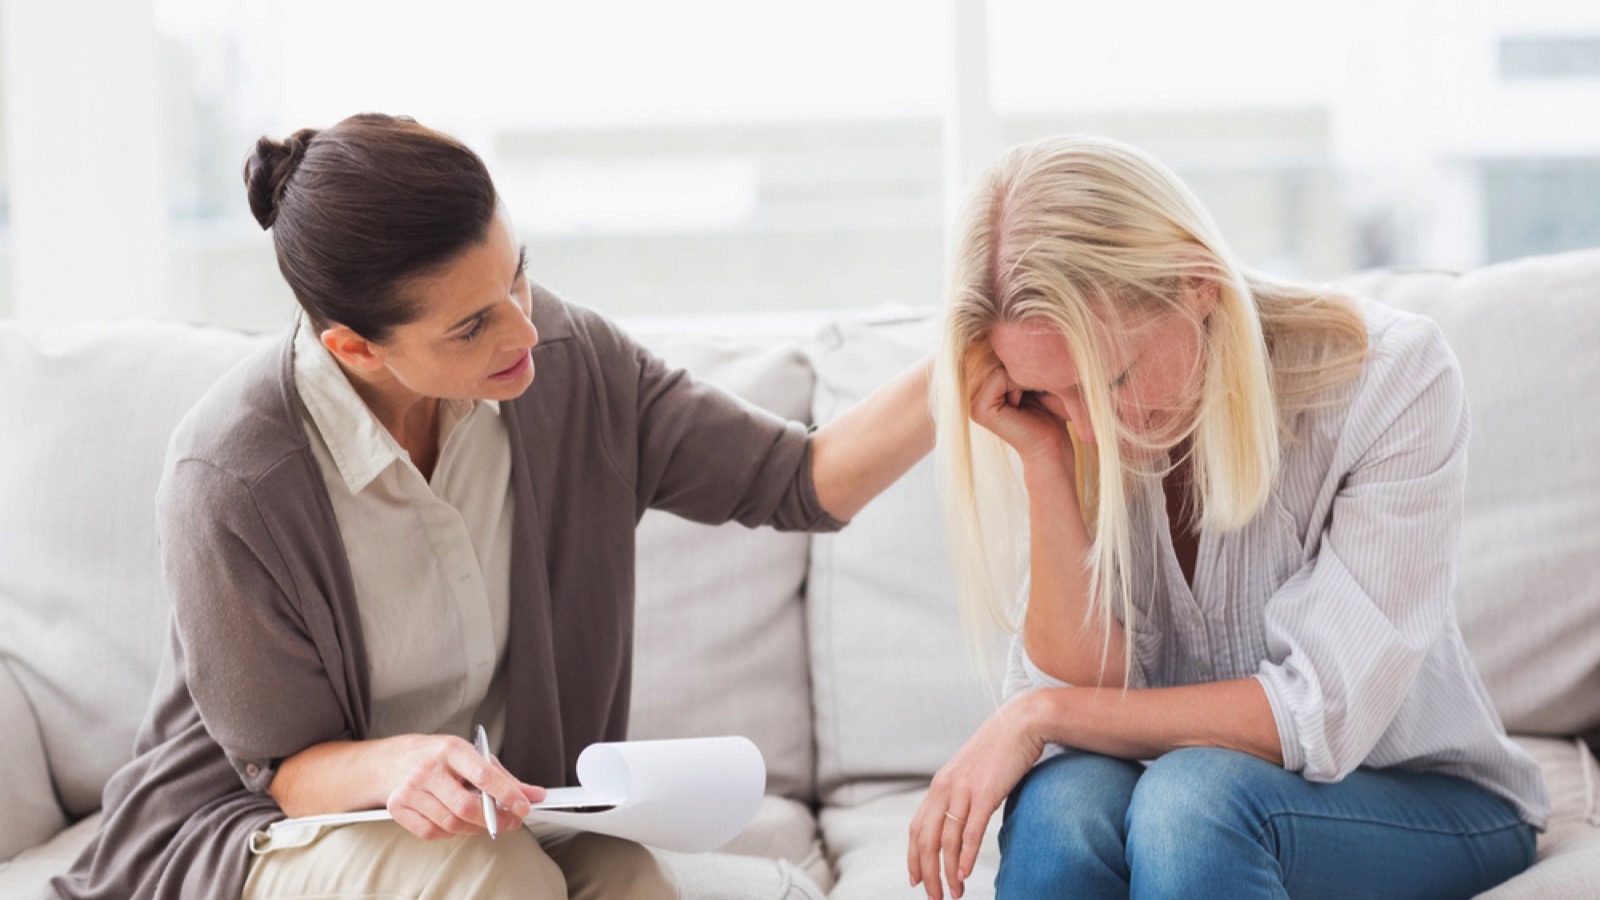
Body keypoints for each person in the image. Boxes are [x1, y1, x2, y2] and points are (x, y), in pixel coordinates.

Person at [49, 113, 934, 900]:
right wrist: (403, 763)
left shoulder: (568, 361)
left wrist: (971, 356)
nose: (523, 331)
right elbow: (280, 774)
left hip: (485, 822)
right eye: (471, 326)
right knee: (493, 878)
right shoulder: (233, 476)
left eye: (518, 278)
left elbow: (800, 479)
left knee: (623, 876)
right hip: (250, 833)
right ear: (355, 348)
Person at [906, 135, 1547, 900]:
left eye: (1111, 380)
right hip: (1173, 796)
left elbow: (1321, 713)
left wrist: (1038, 713)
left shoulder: (1394, 378)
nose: (1088, 431)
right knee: (1061, 806)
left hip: (1422, 798)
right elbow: (1085, 689)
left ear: (1196, 282)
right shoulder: (1065, 428)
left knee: (1194, 802)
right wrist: (1043, 461)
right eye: (1050, 394)